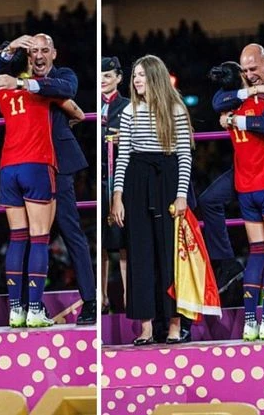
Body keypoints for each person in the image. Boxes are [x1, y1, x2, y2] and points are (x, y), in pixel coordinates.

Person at [0, 34, 95, 325]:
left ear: (54, 53)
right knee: (29, 238)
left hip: (56, 166)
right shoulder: (17, 80)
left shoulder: (62, 77)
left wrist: (22, 84)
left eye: (44, 50)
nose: (39, 55)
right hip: (33, 164)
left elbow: (67, 89)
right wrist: (9, 47)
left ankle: (90, 300)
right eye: (33, 51)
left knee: (70, 233)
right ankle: (25, 305)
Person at [201, 44, 264, 296]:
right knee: (208, 200)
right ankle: (227, 264)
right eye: (245, 70)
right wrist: (255, 90)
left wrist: (234, 119)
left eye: (253, 69)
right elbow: (216, 101)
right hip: (253, 169)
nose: (249, 74)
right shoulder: (247, 89)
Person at [110, 55, 193, 345]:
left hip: (167, 179)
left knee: (169, 254)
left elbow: (184, 155)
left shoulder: (176, 109)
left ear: (155, 77)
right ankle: (145, 327)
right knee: (140, 254)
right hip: (137, 180)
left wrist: (181, 195)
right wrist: (117, 196)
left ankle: (173, 324)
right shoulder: (130, 111)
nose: (137, 80)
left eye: (142, 75)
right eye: (134, 75)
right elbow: (123, 157)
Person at [210, 61, 264, 341]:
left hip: (246, 190)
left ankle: (249, 324)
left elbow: (217, 101)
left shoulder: (227, 109)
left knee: (257, 251)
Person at [101, 56, 129, 312]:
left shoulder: (129, 107)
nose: (103, 81)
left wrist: (125, 138)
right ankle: (102, 300)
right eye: (100, 76)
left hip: (122, 182)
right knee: (99, 241)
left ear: (119, 78)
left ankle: (130, 298)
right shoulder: (90, 106)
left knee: (124, 243)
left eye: (108, 76)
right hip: (98, 179)